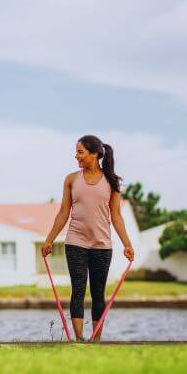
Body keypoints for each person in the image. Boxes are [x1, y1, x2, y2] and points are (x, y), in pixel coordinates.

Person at [41, 135, 134, 342]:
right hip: (76, 242)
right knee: (78, 289)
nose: (76, 156)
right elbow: (63, 212)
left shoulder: (112, 182)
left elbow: (116, 216)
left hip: (102, 244)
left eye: (80, 152)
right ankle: (80, 339)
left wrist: (127, 244)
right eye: (76, 152)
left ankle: (96, 340)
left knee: (98, 293)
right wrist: (49, 240)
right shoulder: (72, 179)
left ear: (94, 154)